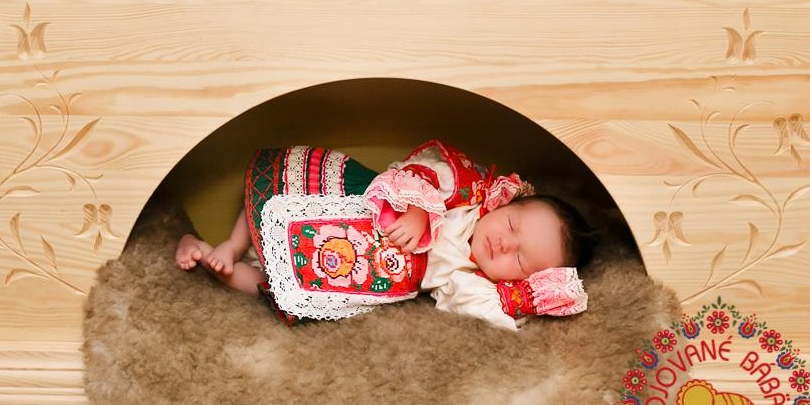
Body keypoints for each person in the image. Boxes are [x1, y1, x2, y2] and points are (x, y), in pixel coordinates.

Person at [175, 141, 595, 330]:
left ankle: (211, 257)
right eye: (512, 226)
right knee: (280, 202)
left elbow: (484, 311)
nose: (504, 243)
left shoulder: (469, 279)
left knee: (273, 289)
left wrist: (532, 297)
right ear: (504, 202)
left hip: (362, 274)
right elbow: (429, 167)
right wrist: (417, 209)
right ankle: (233, 243)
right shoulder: (463, 201)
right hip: (362, 209)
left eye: (519, 260)